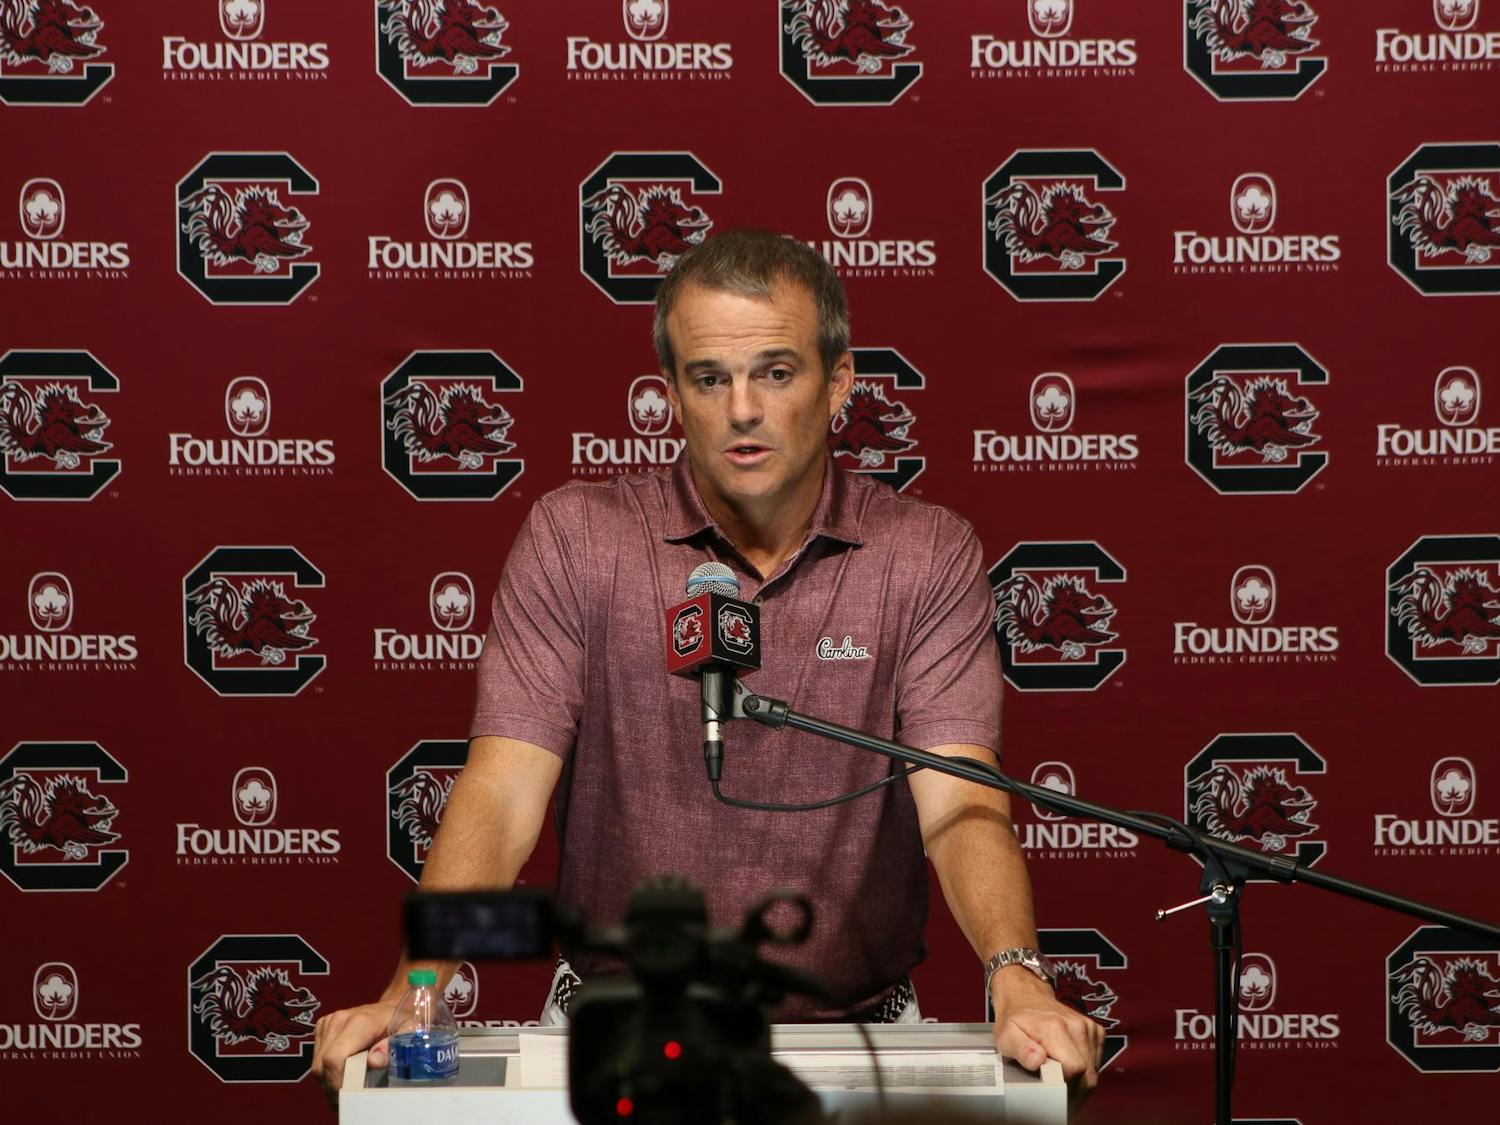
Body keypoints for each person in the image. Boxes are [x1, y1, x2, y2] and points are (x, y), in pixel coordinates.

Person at [312, 229, 1104, 1103]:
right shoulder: (579, 538)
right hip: (617, 1031)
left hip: (854, 1038)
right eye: (710, 378)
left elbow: (958, 795)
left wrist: (1015, 972)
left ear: (838, 382)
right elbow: (502, 796)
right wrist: (412, 991)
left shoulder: (924, 553)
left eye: (776, 371)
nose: (742, 410)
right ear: (670, 395)